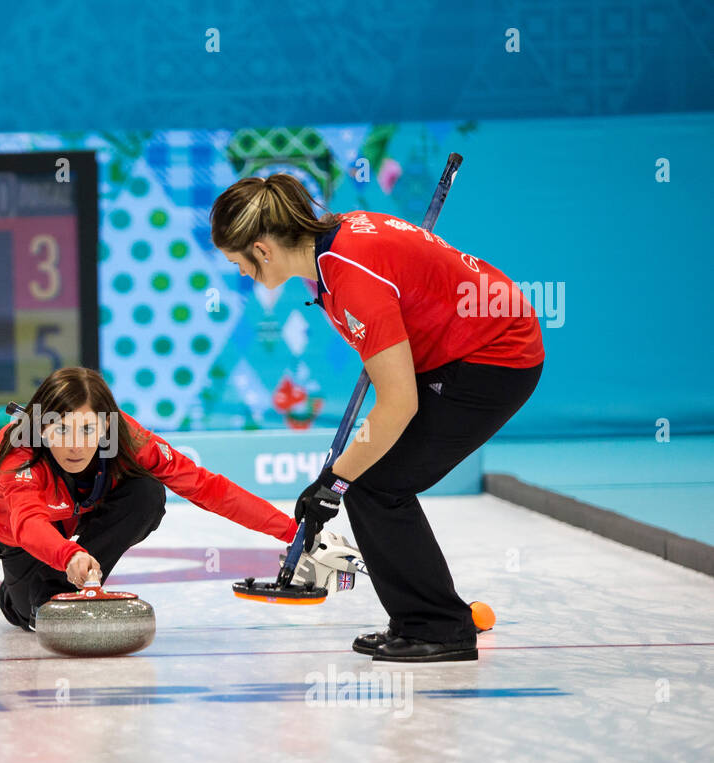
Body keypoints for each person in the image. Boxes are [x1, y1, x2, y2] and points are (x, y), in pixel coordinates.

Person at [211, 173, 543, 662]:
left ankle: (439, 627)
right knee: (369, 479)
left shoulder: (350, 276)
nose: (239, 273)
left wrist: (334, 481)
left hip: (494, 358)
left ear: (262, 250)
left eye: (237, 262)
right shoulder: (334, 246)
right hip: (466, 347)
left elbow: (398, 404)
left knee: (373, 485)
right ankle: (424, 618)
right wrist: (338, 478)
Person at [0, 367, 298, 629]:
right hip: (25, 541)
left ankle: (58, 592)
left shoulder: (128, 439)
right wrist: (70, 557)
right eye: (61, 430)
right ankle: (18, 596)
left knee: (146, 493)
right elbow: (26, 522)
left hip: (77, 518)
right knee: (23, 615)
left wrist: (294, 532)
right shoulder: (17, 454)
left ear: (106, 425)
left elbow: (206, 487)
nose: (75, 445)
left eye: (88, 430)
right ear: (41, 426)